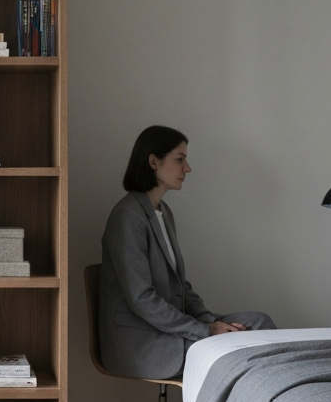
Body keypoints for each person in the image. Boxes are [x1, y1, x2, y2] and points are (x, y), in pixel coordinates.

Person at [99, 125, 275, 380]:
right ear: (153, 162)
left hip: (173, 329)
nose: (187, 168)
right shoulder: (128, 217)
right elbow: (142, 300)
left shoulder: (163, 212)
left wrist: (210, 320)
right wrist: (205, 330)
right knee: (236, 350)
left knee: (259, 323)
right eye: (179, 159)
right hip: (143, 341)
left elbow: (181, 286)